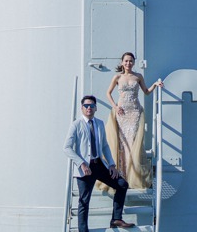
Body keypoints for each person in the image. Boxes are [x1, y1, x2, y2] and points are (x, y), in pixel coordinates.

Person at [64, 95, 135, 230]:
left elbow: (104, 146)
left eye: (91, 105)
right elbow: (66, 148)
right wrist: (81, 163)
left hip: (99, 164)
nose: (89, 108)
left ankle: (116, 219)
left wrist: (112, 165)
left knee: (122, 184)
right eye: (86, 106)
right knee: (84, 201)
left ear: (95, 108)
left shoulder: (100, 123)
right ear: (82, 108)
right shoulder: (76, 125)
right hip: (85, 168)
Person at [105, 53, 163, 190]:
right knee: (122, 143)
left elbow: (146, 91)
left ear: (133, 62)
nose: (128, 63)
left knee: (132, 143)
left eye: (131, 61)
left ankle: (134, 176)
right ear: (122, 62)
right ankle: (121, 175)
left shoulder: (138, 76)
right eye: (126, 61)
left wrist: (155, 84)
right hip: (122, 112)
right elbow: (108, 93)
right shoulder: (117, 77)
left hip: (135, 112)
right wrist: (115, 106)